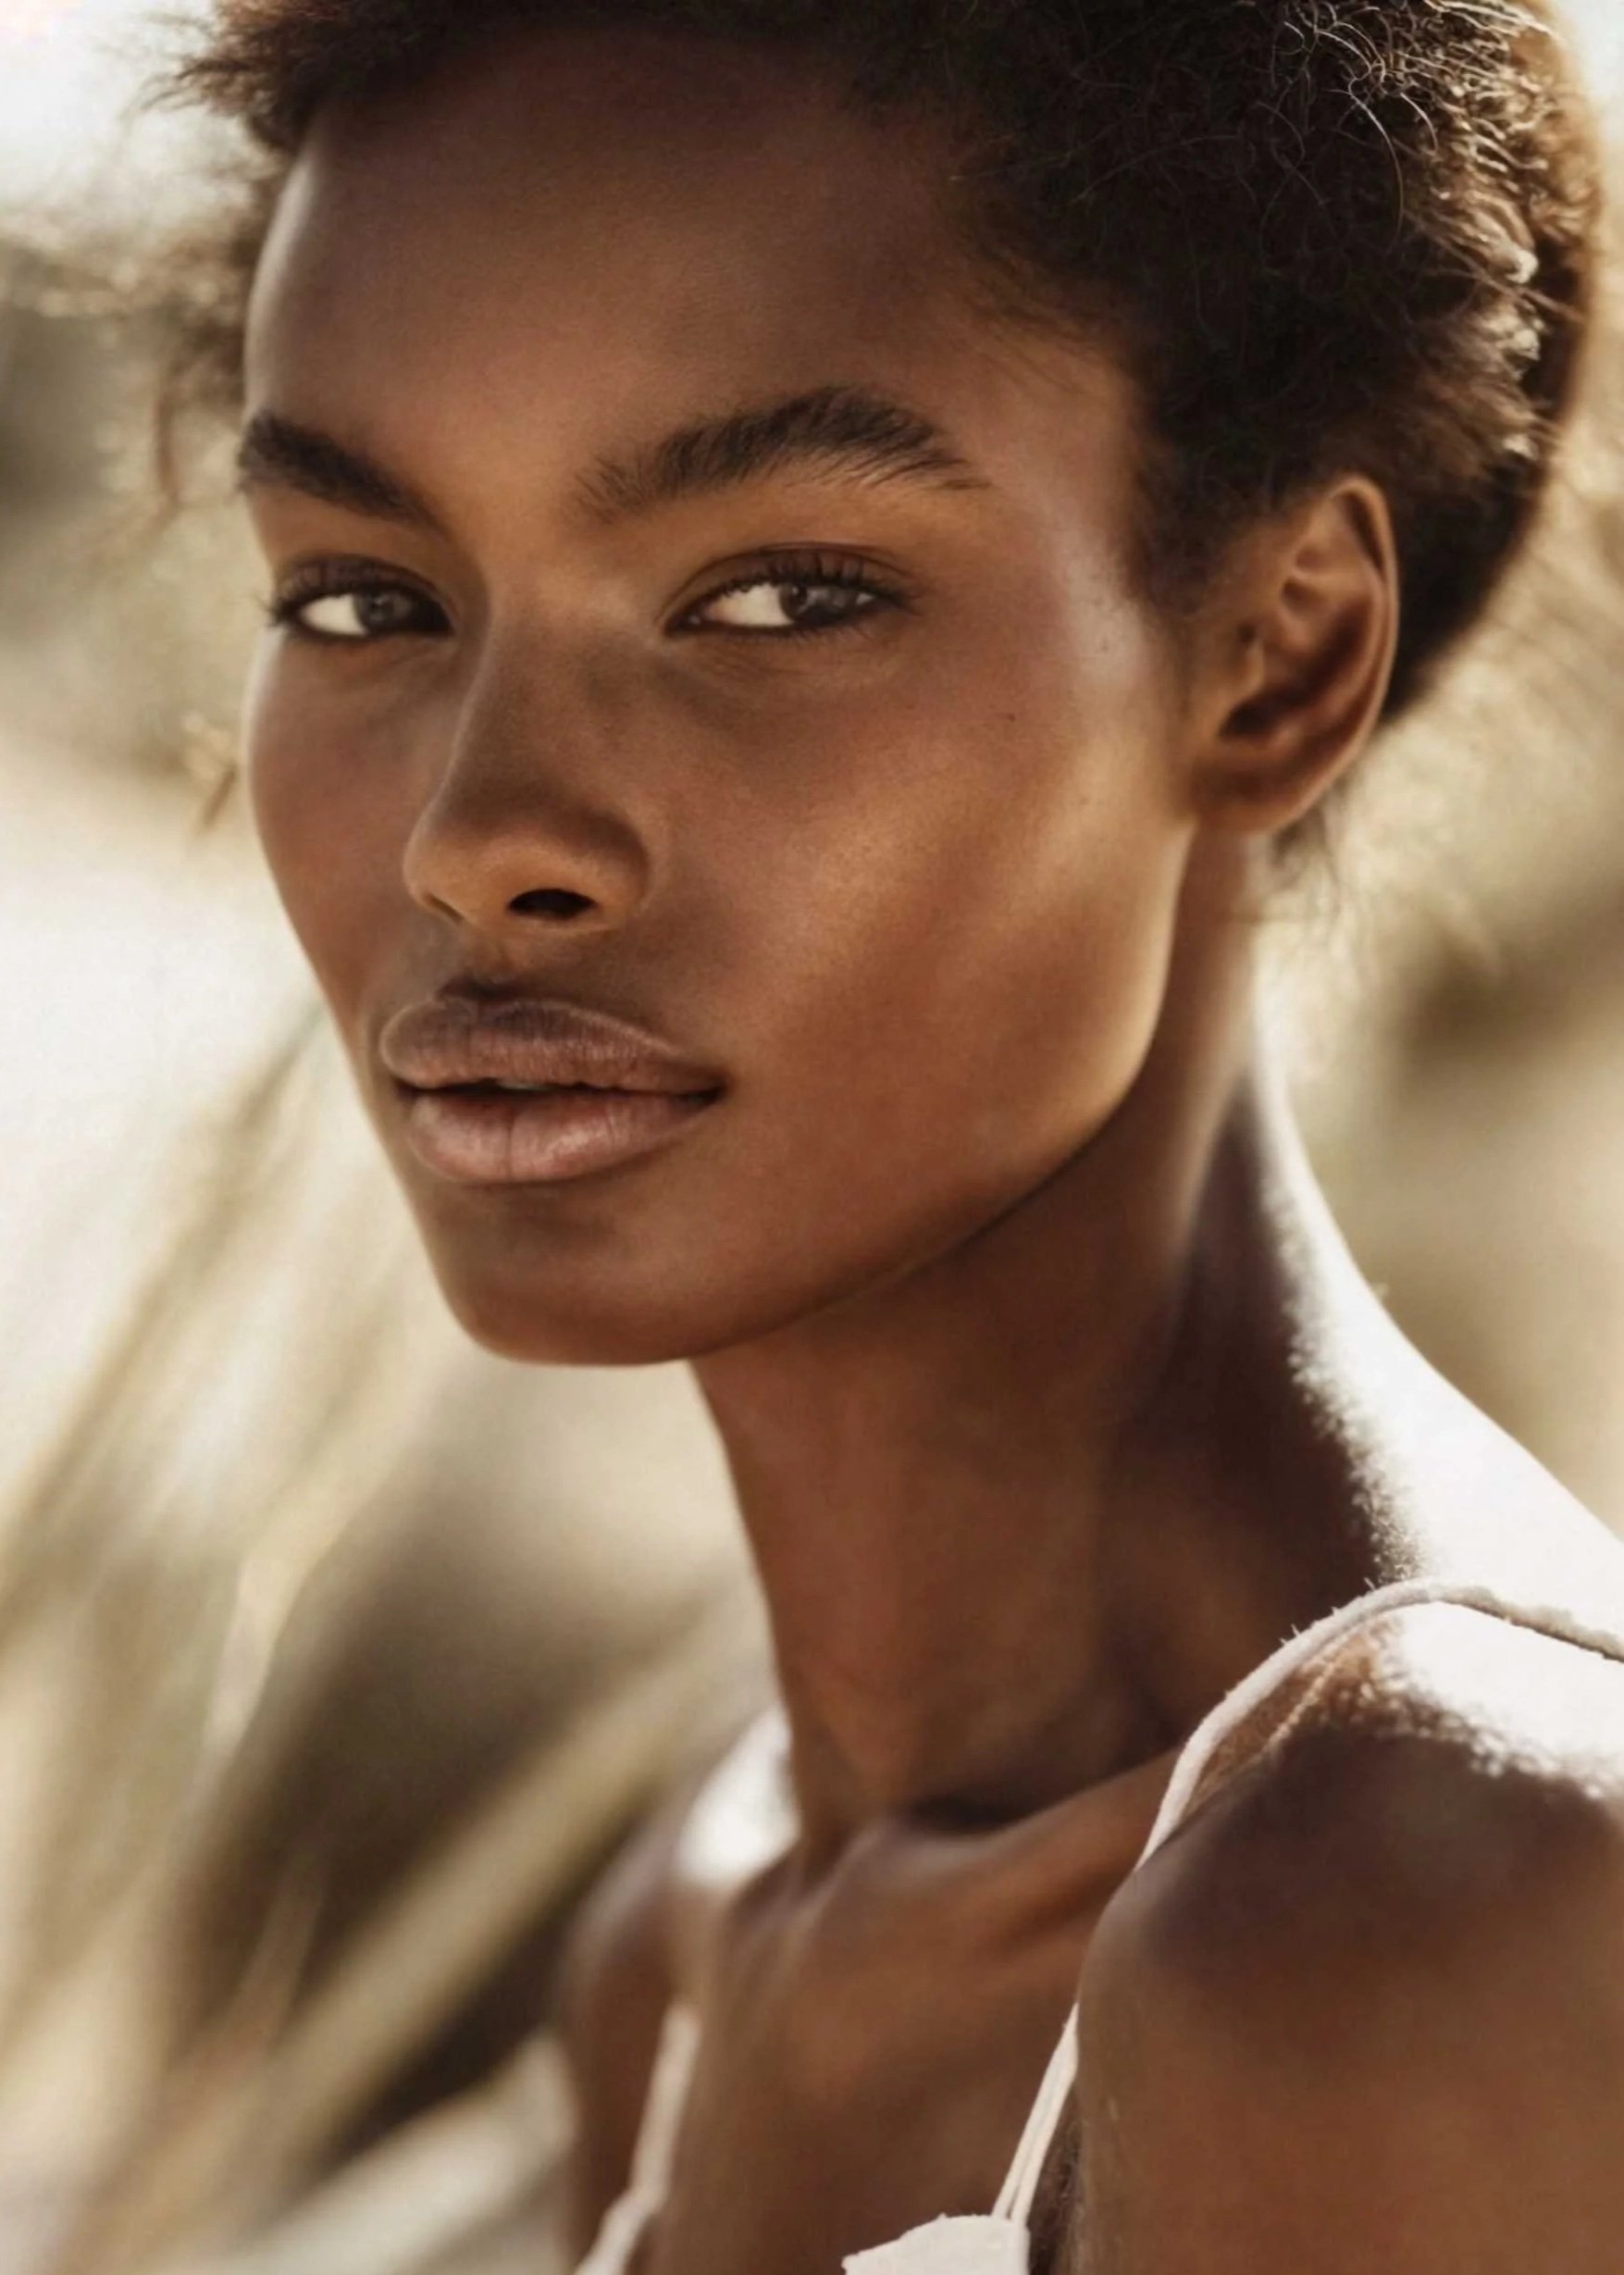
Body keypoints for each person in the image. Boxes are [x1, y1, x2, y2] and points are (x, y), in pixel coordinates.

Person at [156, 3, 1624, 2268]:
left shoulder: (1434, 1908)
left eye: (776, 595)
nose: (480, 838)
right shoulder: (713, 1915)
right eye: (366, 598)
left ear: (1278, 655)